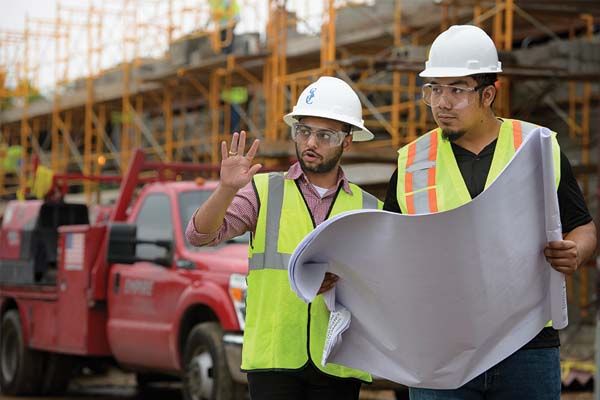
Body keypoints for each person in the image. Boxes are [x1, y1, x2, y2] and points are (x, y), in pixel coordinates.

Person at [384, 25, 597, 400]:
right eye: (433, 89)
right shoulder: (411, 163)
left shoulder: (538, 148)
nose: (441, 103)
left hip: (527, 346)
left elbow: (583, 227)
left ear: (487, 94)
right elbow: (385, 249)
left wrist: (576, 250)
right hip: (440, 349)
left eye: (456, 90)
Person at [186, 76, 382, 400]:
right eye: (303, 131)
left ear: (347, 141)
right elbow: (200, 235)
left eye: (325, 135)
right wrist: (225, 189)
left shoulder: (367, 207)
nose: (310, 143)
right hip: (273, 360)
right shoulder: (264, 192)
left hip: (338, 363)